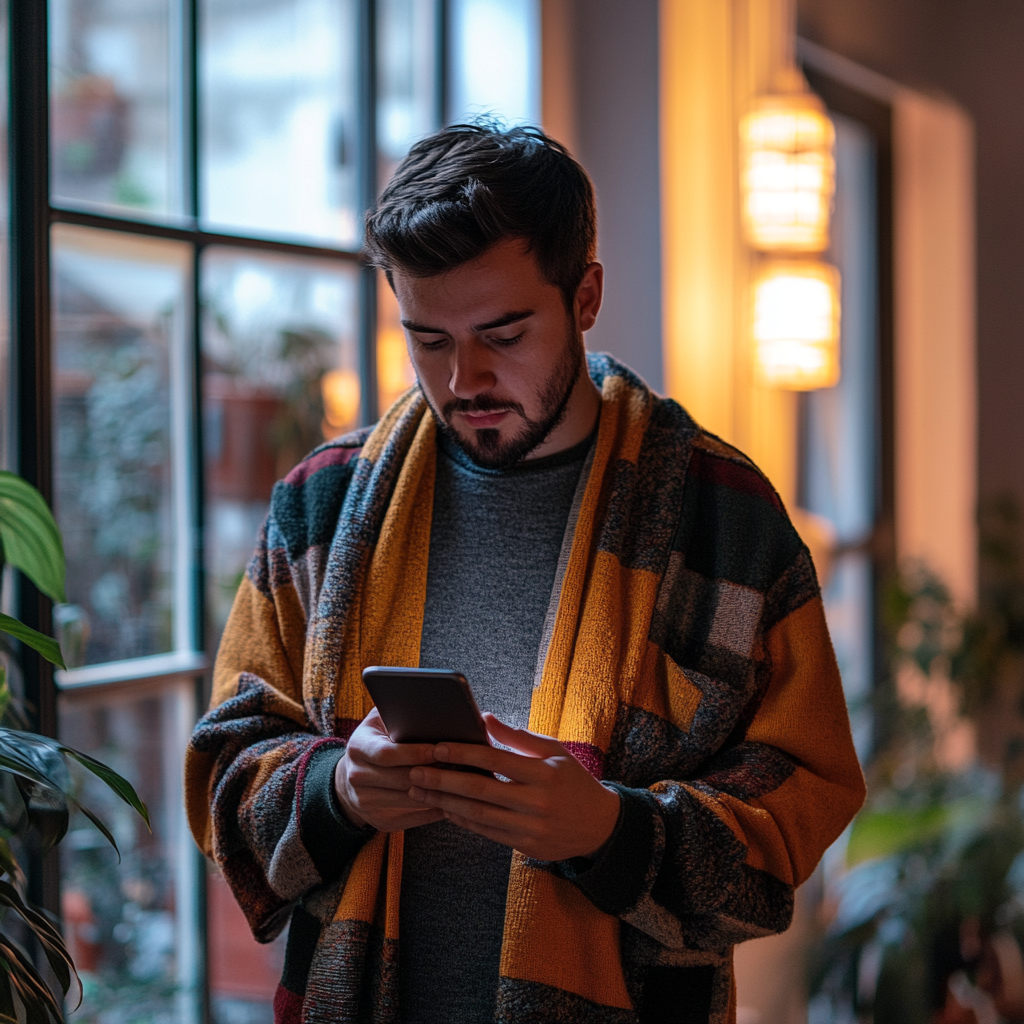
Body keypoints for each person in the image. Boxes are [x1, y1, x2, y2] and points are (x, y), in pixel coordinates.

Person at [185, 123, 865, 1024]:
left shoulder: (723, 517)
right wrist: (340, 789)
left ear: (585, 296)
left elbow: (798, 813)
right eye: (427, 340)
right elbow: (225, 769)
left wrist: (612, 832)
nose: (464, 378)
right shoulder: (323, 502)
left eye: (502, 334)